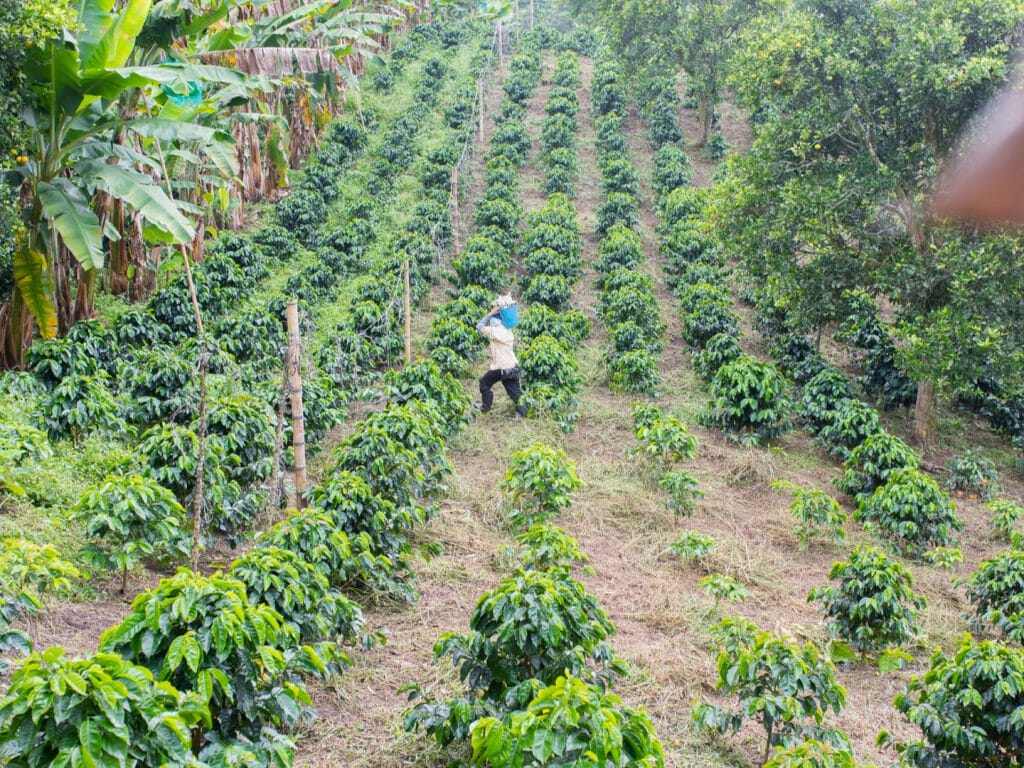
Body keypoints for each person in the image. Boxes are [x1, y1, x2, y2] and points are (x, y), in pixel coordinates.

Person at [476, 303, 527, 418]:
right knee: (513, 391)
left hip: (503, 367)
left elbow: (479, 326)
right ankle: (521, 413)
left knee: (485, 383)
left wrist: (490, 314)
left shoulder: (496, 331)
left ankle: (486, 407)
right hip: (509, 366)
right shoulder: (507, 330)